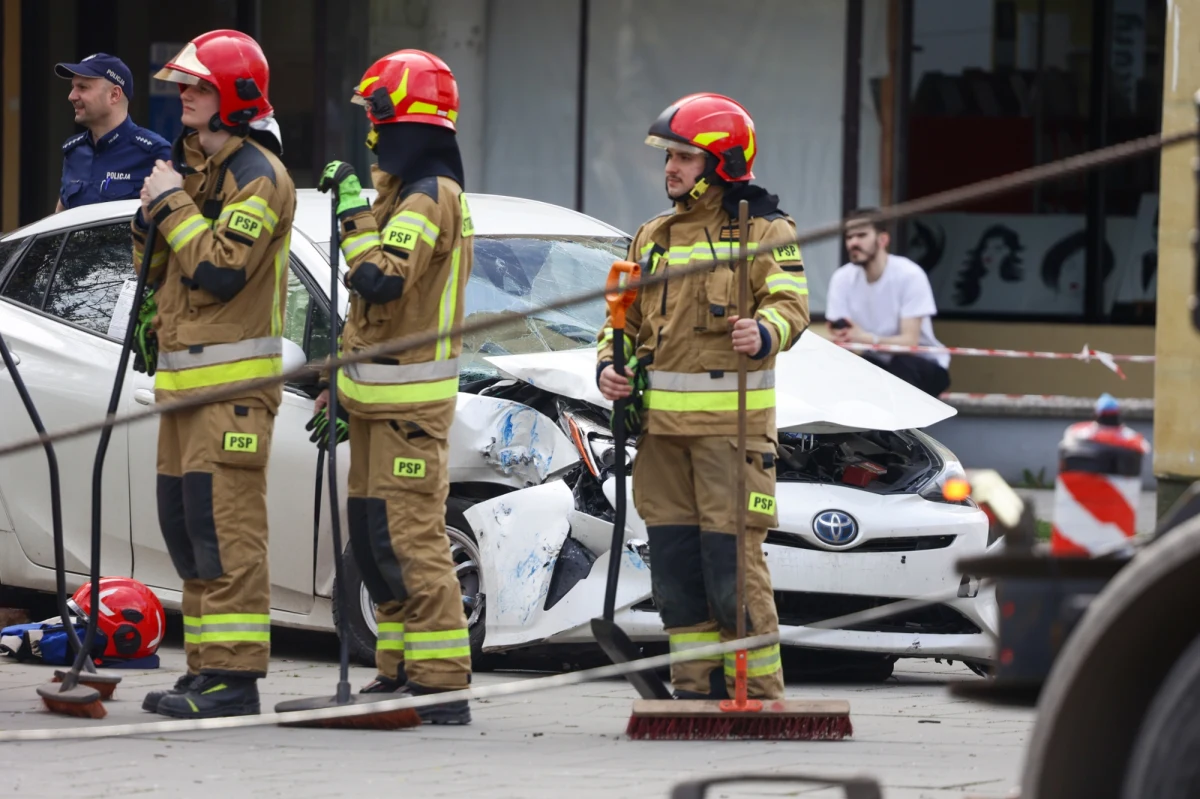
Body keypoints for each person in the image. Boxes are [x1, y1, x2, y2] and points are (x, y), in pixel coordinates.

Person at [596, 93, 809, 701]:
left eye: (685, 157)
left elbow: (792, 303)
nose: (671, 168)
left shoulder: (766, 230)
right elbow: (618, 322)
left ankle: (755, 693)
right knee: (676, 569)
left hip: (730, 437)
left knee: (731, 569)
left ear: (721, 162)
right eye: (669, 157)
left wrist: (765, 331)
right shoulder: (650, 236)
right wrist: (610, 368)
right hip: (661, 438)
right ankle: (693, 691)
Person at [130, 30, 295, 719]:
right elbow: (161, 260)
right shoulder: (194, 168)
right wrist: (153, 210)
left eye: (196, 86)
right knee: (186, 527)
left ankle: (236, 678)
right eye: (182, 85)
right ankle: (204, 669)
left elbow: (221, 268)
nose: (182, 95)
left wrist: (170, 205)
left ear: (233, 95)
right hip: (183, 388)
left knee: (225, 531)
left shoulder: (258, 173)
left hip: (231, 396)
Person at [312, 49, 474, 724]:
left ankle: (442, 684)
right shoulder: (405, 194)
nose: (370, 135)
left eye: (376, 119)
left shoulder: (431, 194)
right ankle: (399, 667)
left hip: (410, 403)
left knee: (410, 539)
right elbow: (372, 318)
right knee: (376, 541)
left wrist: (351, 213)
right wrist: (339, 384)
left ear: (404, 122)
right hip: (376, 397)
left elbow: (379, 278)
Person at [826, 209, 951, 397]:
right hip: (877, 361)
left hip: (923, 363)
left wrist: (865, 338)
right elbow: (840, 336)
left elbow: (910, 341)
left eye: (861, 235)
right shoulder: (841, 278)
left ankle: (897, 426)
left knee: (900, 366)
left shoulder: (909, 274)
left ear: (883, 240)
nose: (853, 243)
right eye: (849, 237)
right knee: (848, 370)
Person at [54, 53, 171, 212]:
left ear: (114, 95)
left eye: (82, 87)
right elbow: (62, 215)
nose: (71, 96)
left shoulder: (155, 152)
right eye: (72, 88)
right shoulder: (74, 152)